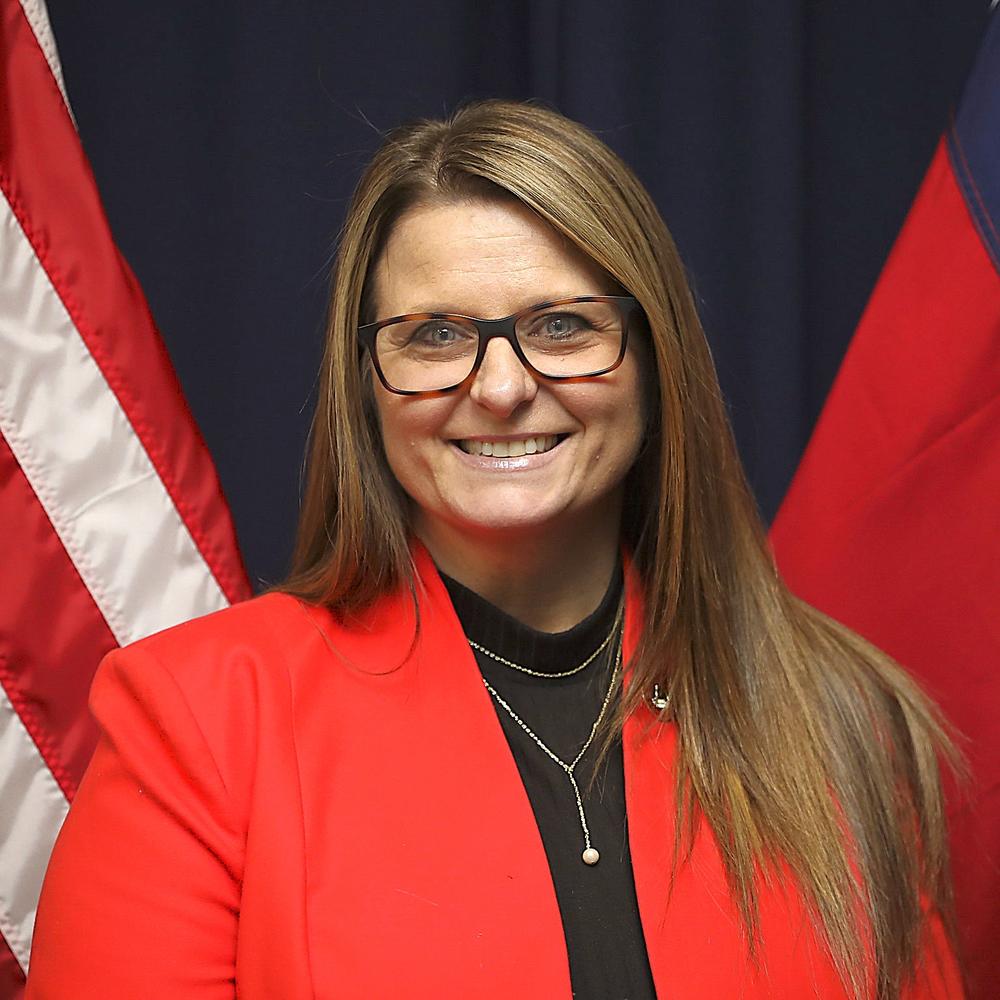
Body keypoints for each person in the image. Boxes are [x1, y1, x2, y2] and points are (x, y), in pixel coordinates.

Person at [26, 100, 966, 1000]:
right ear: (368, 388)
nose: (504, 388)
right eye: (436, 336)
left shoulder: (845, 716)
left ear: (653, 357)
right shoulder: (200, 720)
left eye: (562, 325)